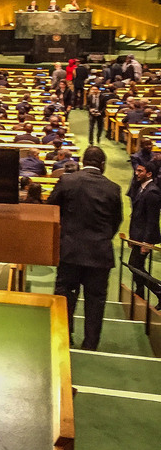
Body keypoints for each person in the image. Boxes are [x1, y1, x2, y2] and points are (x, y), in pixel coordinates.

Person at [48, 146, 122, 350]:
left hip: (70, 251)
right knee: (95, 301)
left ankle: (63, 338)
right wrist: (101, 238)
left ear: (82, 161)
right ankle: (90, 344)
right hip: (100, 254)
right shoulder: (113, 188)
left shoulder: (67, 181)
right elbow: (116, 221)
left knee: (65, 295)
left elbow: (51, 207)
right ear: (103, 165)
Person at [127, 162, 161, 307]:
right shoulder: (141, 188)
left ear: (149, 174)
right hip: (138, 236)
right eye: (137, 170)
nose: (137, 173)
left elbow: (152, 220)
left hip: (144, 238)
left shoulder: (152, 192)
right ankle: (139, 292)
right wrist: (132, 237)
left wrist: (146, 243)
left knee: (134, 265)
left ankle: (158, 291)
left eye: (140, 171)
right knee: (136, 266)